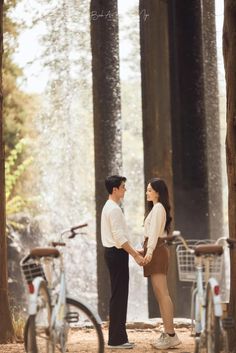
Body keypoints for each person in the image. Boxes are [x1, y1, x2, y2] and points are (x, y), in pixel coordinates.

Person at [101, 175, 144, 350]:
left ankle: (118, 338)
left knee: (118, 295)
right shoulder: (114, 209)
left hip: (113, 253)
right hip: (116, 254)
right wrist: (135, 255)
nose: (125, 189)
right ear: (115, 190)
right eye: (123, 186)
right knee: (119, 296)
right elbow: (119, 238)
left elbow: (119, 236)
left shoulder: (109, 207)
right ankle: (116, 340)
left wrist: (134, 249)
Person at [142, 177, 181, 350]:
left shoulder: (158, 209)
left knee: (162, 293)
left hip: (157, 250)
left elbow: (154, 235)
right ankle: (168, 333)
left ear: (158, 192)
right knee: (160, 293)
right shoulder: (156, 208)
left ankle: (171, 334)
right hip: (155, 249)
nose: (147, 192)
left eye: (150, 190)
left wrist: (149, 253)